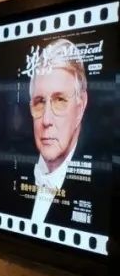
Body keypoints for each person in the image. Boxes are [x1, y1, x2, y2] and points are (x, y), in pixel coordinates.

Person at [22, 37, 98, 227]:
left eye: (60, 100)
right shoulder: (10, 176)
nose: (46, 120)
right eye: (39, 102)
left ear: (81, 106)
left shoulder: (100, 189)